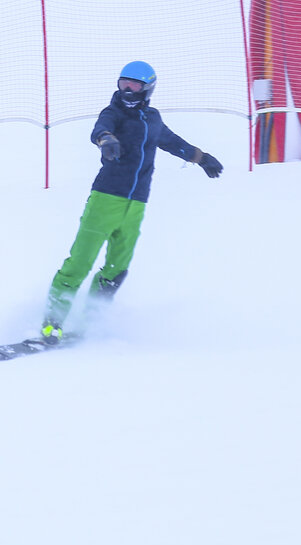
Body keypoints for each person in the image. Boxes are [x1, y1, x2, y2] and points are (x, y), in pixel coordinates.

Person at [40, 60, 223, 343]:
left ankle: (90, 323)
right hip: (105, 198)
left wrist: (201, 158)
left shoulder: (153, 118)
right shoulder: (112, 113)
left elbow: (173, 142)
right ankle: (52, 325)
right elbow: (100, 129)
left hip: (136, 205)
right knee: (80, 263)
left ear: (147, 88)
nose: (127, 89)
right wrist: (107, 140)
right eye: (123, 83)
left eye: (134, 85)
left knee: (117, 269)